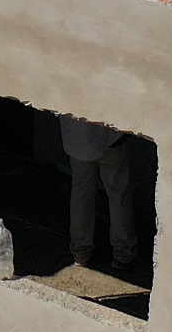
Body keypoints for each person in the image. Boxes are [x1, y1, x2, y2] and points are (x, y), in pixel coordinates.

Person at [57, 113, 139, 275]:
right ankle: (123, 252)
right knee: (118, 194)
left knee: (81, 193)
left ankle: (81, 252)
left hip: (77, 140)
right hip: (110, 138)